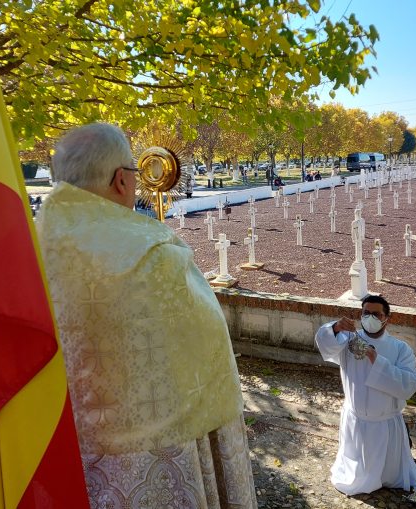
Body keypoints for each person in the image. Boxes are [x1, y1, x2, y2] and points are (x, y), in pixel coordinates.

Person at [36, 123, 257, 507]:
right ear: (122, 180)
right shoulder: (154, 254)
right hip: (152, 454)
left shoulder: (29, 247)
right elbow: (205, 349)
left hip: (57, 442)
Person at [314, 295, 416, 496]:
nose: (370, 317)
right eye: (366, 313)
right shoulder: (348, 340)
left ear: (386, 318)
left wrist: (376, 360)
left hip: (385, 421)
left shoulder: (400, 348)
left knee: (388, 474)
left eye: (376, 314)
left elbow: (409, 384)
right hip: (356, 418)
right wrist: (336, 328)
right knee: (356, 469)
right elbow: (325, 344)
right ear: (360, 315)